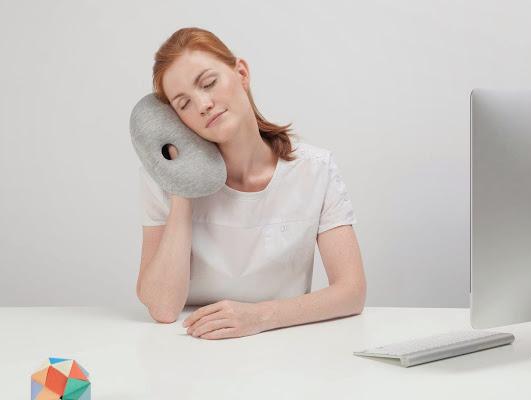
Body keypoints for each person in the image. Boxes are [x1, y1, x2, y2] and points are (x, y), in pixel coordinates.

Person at [137, 27, 366, 340]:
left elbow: (352, 291)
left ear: (241, 73)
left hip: (284, 344)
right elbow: (163, 308)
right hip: (191, 348)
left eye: (208, 83)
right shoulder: (162, 182)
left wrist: (259, 317)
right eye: (183, 104)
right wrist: (183, 185)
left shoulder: (315, 170)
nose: (202, 104)